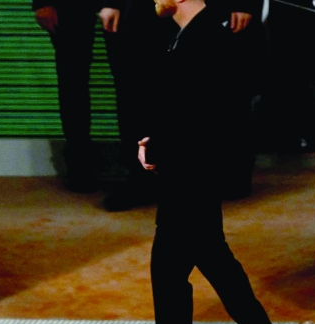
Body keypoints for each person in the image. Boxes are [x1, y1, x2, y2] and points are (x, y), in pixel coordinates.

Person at [137, 0, 283, 324]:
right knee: (213, 255)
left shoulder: (202, 40)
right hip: (193, 168)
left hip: (192, 172)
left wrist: (162, 148)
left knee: (167, 270)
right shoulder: (193, 36)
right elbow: (185, 111)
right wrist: (157, 141)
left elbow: (202, 115)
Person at [102, 0, 259, 211]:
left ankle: (227, 172)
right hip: (142, 11)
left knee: (220, 88)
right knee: (136, 92)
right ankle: (143, 176)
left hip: (210, 7)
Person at [33, 0, 122, 193]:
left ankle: (139, 168)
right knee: (72, 81)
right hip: (69, 6)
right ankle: (80, 167)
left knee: (130, 79)